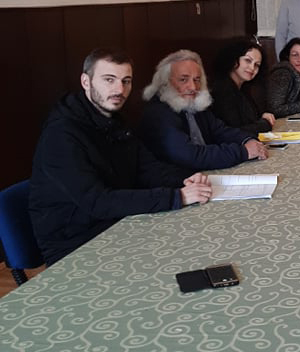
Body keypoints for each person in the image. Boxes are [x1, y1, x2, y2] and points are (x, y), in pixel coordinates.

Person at [29, 48, 212, 266]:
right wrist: (177, 197)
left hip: (117, 223)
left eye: (126, 81)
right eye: (109, 80)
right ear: (86, 82)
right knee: (180, 255)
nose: (119, 90)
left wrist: (186, 179)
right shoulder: (61, 135)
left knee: (197, 240)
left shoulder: (113, 119)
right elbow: (98, 201)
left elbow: (147, 168)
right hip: (75, 245)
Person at [139, 49, 268, 172]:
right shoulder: (158, 113)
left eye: (197, 80)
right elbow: (190, 156)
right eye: (183, 79)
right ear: (165, 82)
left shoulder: (195, 103)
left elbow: (221, 131)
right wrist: (243, 152)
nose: (193, 87)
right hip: (180, 181)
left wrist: (248, 140)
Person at [211, 38, 276, 135]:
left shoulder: (243, 88)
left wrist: (263, 117)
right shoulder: (222, 91)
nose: (252, 68)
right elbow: (233, 132)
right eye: (248, 60)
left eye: (257, 65)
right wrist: (265, 124)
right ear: (234, 60)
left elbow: (250, 121)